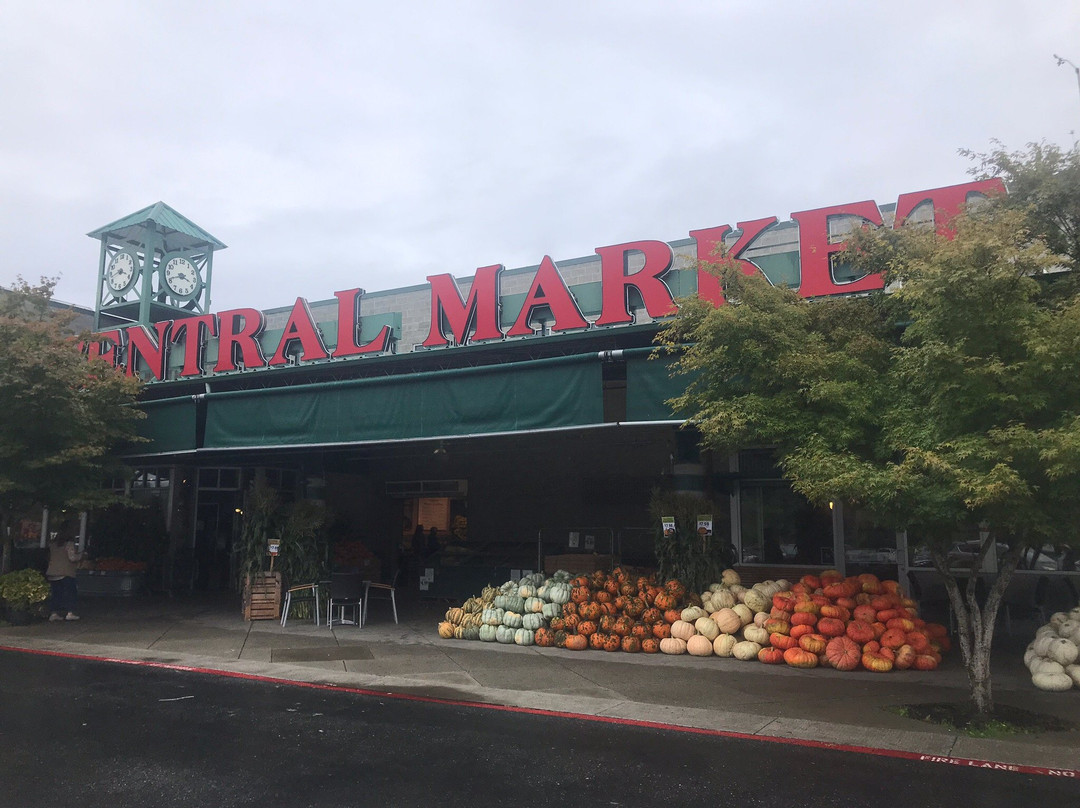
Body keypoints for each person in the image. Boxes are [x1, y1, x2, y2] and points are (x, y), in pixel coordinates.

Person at [46, 527, 83, 622]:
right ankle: (70, 613)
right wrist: (81, 555)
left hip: (53, 572)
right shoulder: (69, 544)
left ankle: (54, 613)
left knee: (56, 594)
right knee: (70, 592)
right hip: (66, 572)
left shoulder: (52, 545)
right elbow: (72, 558)